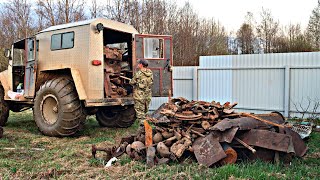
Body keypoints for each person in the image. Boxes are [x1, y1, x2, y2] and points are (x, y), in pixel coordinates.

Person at [129, 59, 153, 125]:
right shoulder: (150, 72)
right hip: (148, 93)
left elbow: (132, 82)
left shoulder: (138, 73)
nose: (138, 65)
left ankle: (143, 126)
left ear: (141, 65)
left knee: (139, 110)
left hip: (139, 94)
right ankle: (145, 122)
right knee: (145, 108)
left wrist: (131, 81)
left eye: (138, 64)